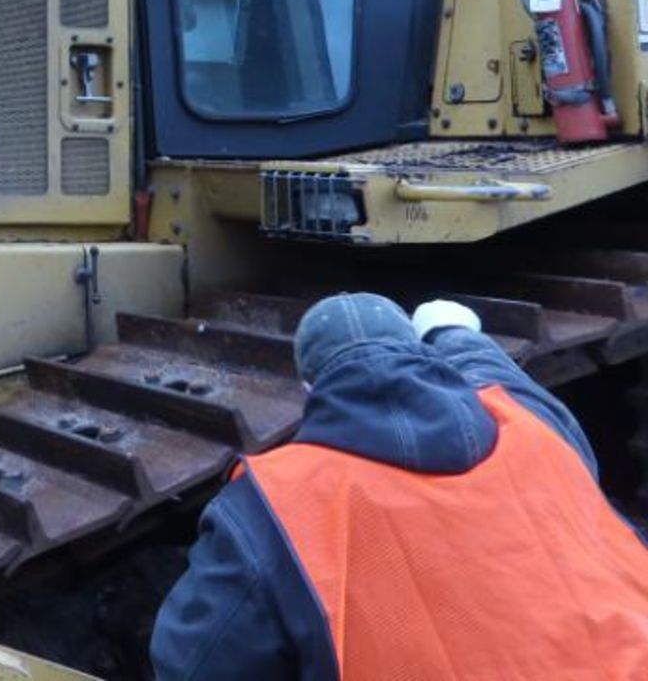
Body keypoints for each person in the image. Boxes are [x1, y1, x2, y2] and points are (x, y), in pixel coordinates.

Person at [149, 291, 648, 679]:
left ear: (308, 389)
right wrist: (453, 331)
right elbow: (501, 378)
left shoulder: (277, 501)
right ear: (420, 355)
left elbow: (193, 663)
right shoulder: (531, 429)